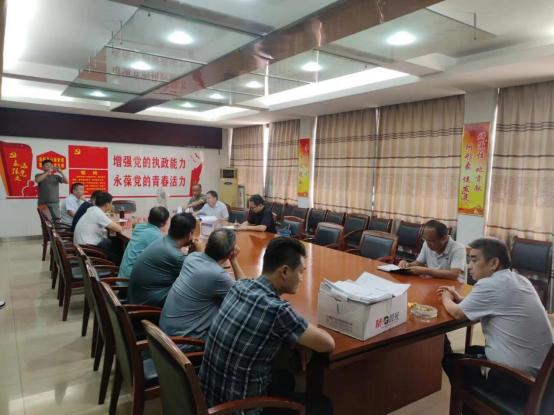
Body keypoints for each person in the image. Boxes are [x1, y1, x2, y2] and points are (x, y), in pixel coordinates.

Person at [199, 237, 335, 415]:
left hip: (208, 399)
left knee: (285, 378)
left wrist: (297, 338)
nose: (302, 279)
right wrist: (298, 334)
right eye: (301, 272)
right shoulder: (278, 311)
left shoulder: (239, 286)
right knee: (322, 404)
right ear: (284, 271)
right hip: (237, 409)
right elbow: (328, 344)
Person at [439, 238, 553, 402]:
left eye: (474, 260)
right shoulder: (519, 279)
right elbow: (493, 303)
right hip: (543, 378)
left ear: (494, 263)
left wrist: (445, 297)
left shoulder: (490, 285)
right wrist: (460, 299)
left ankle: (472, 407)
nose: (469, 266)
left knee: (451, 360)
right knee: (472, 350)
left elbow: (457, 313)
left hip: (517, 380)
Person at [160, 228, 246, 350]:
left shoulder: (192, 257)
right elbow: (246, 293)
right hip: (182, 345)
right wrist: (234, 259)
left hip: (163, 335)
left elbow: (207, 266)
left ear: (207, 244)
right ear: (230, 253)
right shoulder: (217, 275)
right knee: (237, 327)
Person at [127, 213, 199, 307]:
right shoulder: (174, 255)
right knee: (197, 292)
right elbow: (199, 275)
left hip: (137, 297)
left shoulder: (162, 240)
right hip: (147, 306)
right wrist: (200, 251)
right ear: (190, 234)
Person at [399, 219, 466, 282]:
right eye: (425, 239)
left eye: (431, 241)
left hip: (453, 285)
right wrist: (407, 265)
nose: (427, 243)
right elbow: (419, 263)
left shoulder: (458, 249)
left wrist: (425, 271)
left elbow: (454, 275)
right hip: (432, 282)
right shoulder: (426, 243)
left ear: (444, 238)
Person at [118, 206, 170, 278]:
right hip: (131, 280)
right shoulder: (156, 236)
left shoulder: (139, 227)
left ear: (149, 218)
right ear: (163, 223)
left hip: (123, 275)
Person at [73, 192, 123, 263]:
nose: (112, 205)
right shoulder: (98, 213)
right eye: (111, 203)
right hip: (87, 249)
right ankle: (117, 264)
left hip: (80, 247)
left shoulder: (92, 209)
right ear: (107, 204)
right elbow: (119, 229)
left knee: (109, 242)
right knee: (115, 247)